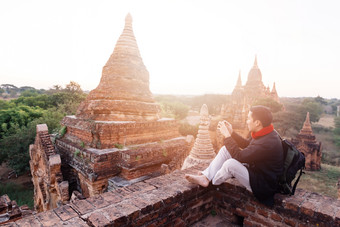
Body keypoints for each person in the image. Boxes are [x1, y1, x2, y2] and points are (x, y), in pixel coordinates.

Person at [185, 105, 283, 206]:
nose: (247, 121)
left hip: (263, 185)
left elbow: (239, 157)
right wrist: (232, 133)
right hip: (256, 172)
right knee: (225, 149)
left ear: (257, 123)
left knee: (230, 164)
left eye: (249, 118)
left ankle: (211, 182)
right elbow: (247, 145)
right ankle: (206, 176)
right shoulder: (265, 133)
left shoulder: (268, 142)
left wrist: (227, 136)